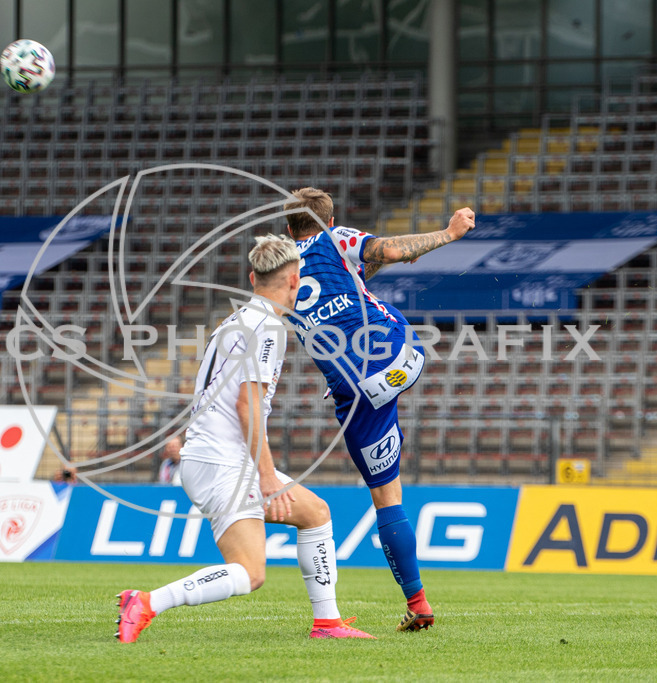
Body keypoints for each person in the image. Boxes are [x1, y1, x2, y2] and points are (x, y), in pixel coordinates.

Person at [115, 234, 373, 643]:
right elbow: (247, 406)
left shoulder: (236, 321)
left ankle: (327, 623)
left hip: (210, 457)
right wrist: (267, 476)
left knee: (315, 513)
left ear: (253, 278)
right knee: (250, 574)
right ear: (295, 280)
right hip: (224, 463)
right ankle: (147, 602)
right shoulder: (267, 327)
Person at [284, 187, 476, 632]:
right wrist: (449, 233)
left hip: (354, 394)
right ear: (329, 221)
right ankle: (417, 605)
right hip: (400, 357)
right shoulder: (335, 238)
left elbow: (354, 269)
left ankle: (419, 601)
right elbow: (385, 249)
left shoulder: (282, 270)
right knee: (372, 303)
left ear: (289, 230)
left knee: (386, 499)